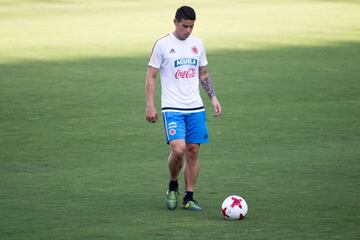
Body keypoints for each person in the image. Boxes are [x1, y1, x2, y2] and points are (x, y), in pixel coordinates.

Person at [145, 6, 222, 211]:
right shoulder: (162, 45)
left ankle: (189, 197)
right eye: (184, 26)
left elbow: (203, 73)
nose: (188, 30)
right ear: (175, 22)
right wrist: (150, 104)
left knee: (193, 151)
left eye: (191, 26)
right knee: (178, 149)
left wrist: (213, 97)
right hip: (172, 107)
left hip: (195, 107)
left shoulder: (198, 44)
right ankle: (173, 185)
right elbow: (151, 75)